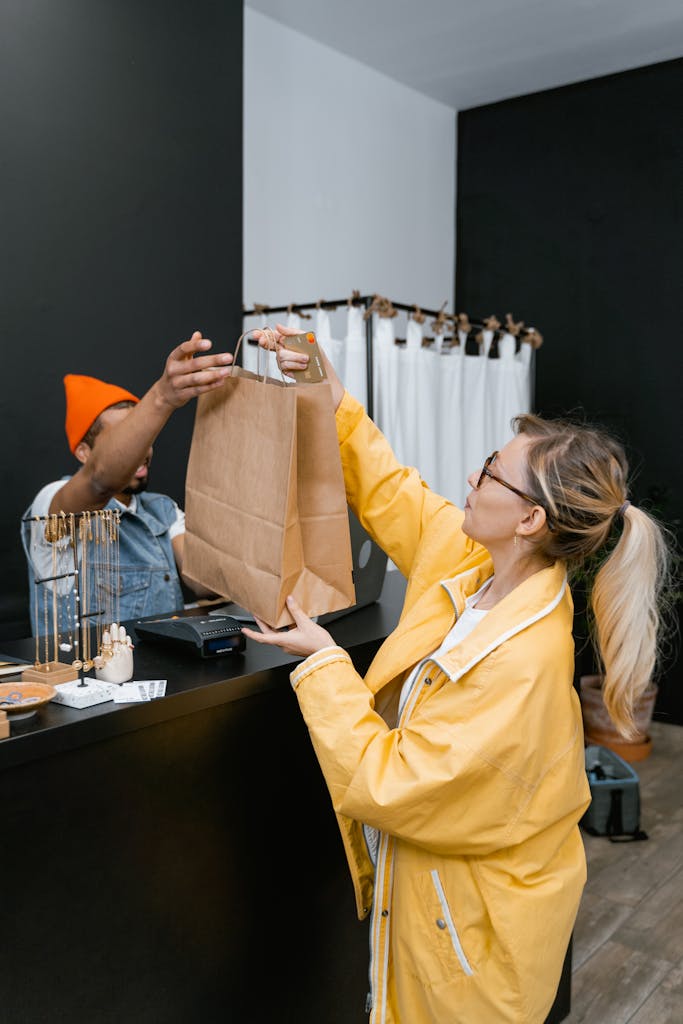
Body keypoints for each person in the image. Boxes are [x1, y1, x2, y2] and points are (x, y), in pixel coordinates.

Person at [244, 324, 671, 1024]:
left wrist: (324, 662)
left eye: (489, 471)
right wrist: (329, 394)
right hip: (443, 914)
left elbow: (387, 781)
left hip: (471, 949)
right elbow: (391, 492)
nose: (470, 477)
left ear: (529, 518)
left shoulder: (522, 662)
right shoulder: (475, 567)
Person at [22, 332, 233, 631]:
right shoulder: (51, 502)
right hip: (87, 677)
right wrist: (161, 397)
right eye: (126, 440)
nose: (142, 450)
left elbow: (205, 584)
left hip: (164, 676)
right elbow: (100, 481)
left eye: (143, 437)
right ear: (84, 452)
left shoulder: (163, 510)